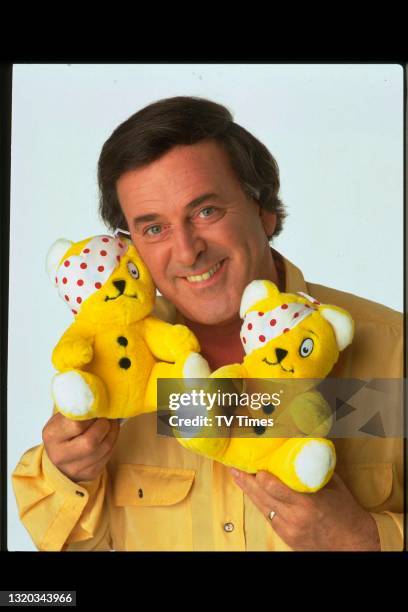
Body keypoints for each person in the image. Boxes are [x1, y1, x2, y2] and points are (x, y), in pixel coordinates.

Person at [12, 96, 403, 552]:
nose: (186, 251)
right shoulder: (114, 371)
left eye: (205, 211)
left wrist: (367, 540)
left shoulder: (393, 354)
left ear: (264, 210)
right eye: (154, 228)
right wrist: (70, 474)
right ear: (131, 245)